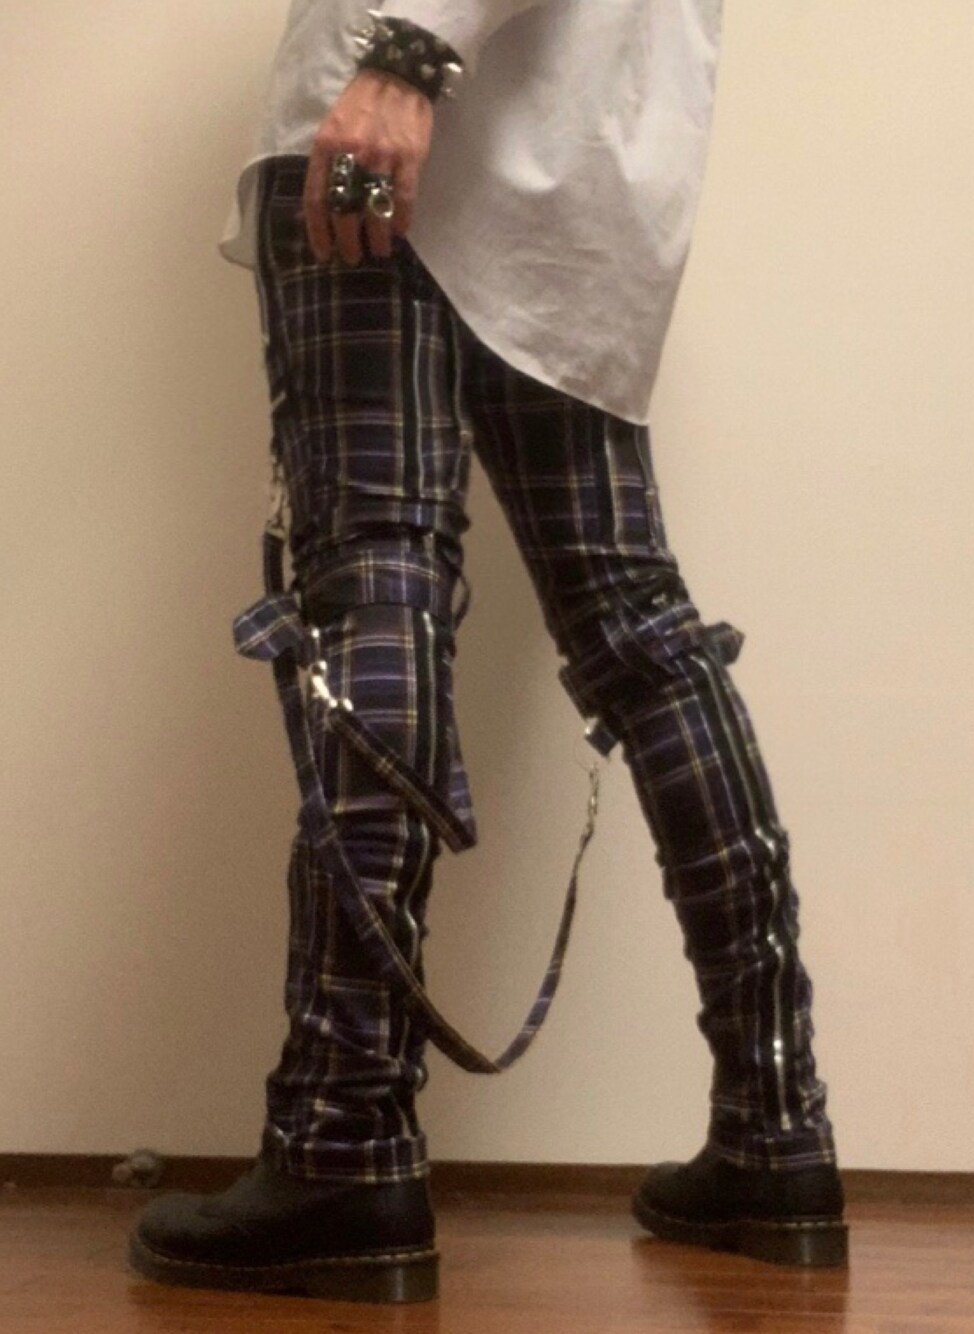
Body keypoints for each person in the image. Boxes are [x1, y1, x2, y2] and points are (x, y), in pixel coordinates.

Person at [128, 0, 847, 1303]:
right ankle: (776, 1127)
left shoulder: (403, 72)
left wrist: (407, 51)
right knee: (638, 625)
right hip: (587, 182)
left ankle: (342, 1144)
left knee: (375, 579)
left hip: (400, 138)